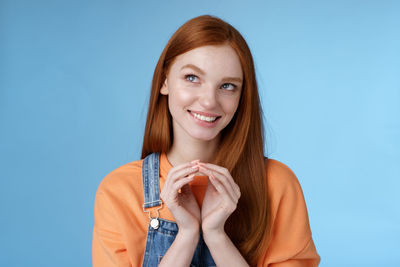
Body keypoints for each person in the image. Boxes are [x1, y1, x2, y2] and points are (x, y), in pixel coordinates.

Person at [92, 15, 321, 267]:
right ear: (165, 81)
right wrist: (187, 235)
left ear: (242, 96)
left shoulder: (276, 184)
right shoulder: (119, 191)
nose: (209, 100)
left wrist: (216, 235)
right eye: (192, 78)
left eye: (227, 86)